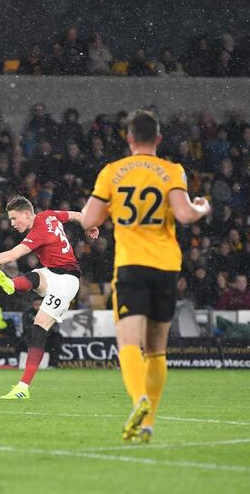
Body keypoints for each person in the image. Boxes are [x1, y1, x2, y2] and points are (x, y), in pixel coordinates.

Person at [81, 109, 210, 443]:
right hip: (166, 267)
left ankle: (138, 398)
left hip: (131, 266)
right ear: (159, 139)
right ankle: (149, 421)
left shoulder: (113, 172)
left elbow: (89, 219)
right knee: (156, 350)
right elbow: (183, 214)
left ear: (128, 139)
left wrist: (109, 209)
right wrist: (202, 208)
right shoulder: (171, 170)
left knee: (128, 344)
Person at [0, 195, 99, 399]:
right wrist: (89, 225)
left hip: (66, 283)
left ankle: (23, 387)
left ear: (27, 214)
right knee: (36, 275)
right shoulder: (49, 215)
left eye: (14, 218)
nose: (12, 223)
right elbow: (77, 215)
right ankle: (12, 284)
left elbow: (11, 255)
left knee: (38, 327)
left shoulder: (39, 231)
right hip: (53, 273)